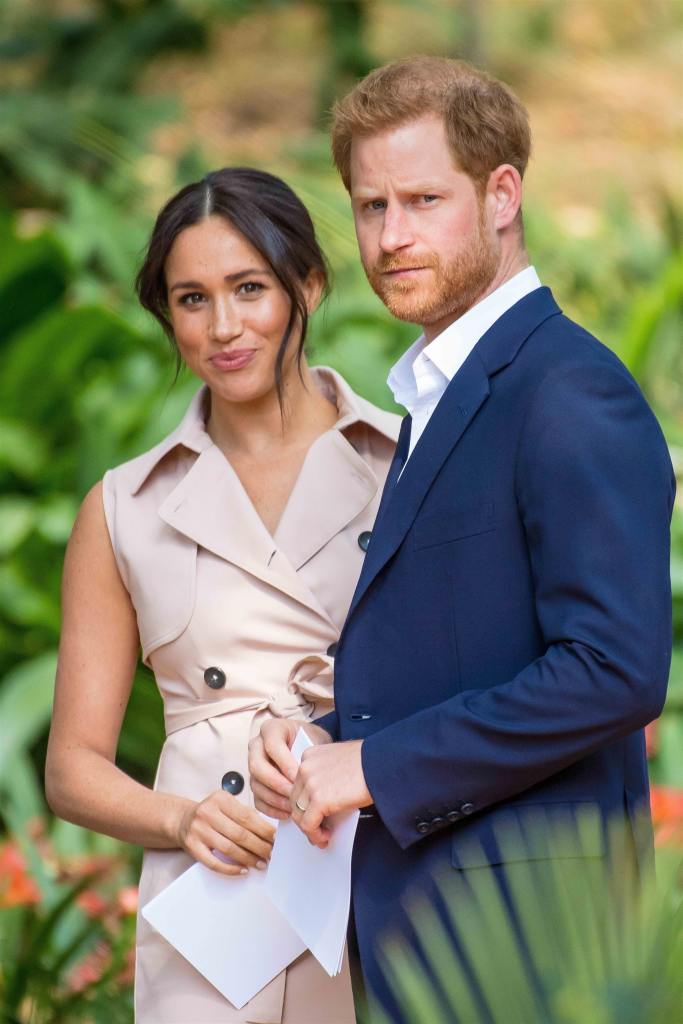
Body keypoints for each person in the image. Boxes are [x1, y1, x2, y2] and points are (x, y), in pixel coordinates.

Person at [248, 57, 675, 1022]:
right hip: (434, 928)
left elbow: (614, 669)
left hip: (529, 941)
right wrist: (323, 743)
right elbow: (458, 655)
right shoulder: (440, 398)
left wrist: (374, 768)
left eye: (422, 200)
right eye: (369, 207)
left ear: (500, 194)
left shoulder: (570, 393)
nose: (390, 237)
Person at [46, 166, 401, 1024]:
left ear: (308, 285)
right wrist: (182, 821)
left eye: (249, 288)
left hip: (374, 875)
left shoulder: (407, 464)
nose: (224, 326)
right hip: (216, 904)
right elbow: (72, 768)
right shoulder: (124, 507)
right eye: (191, 299)